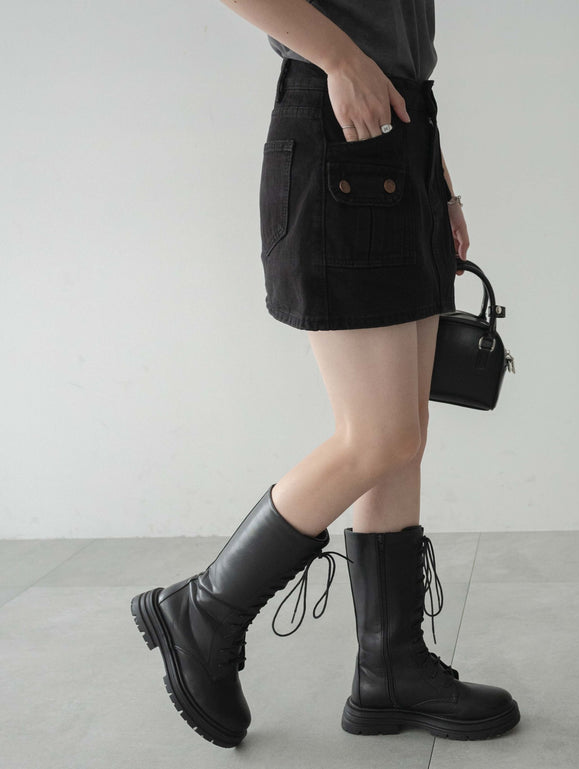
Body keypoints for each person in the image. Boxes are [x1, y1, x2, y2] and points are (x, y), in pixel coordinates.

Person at [130, 0, 520, 749]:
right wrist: (341, 59)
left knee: (404, 434)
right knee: (378, 435)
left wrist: (437, 177)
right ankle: (204, 608)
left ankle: (390, 667)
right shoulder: (339, 71)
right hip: (341, 132)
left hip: (400, 133)